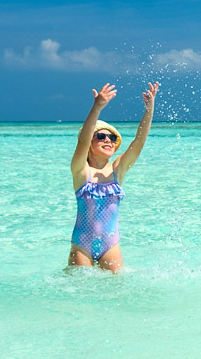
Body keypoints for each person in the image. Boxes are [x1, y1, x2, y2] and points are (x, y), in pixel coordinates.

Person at [68, 81, 159, 273]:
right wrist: (97, 107)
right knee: (77, 296)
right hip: (82, 246)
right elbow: (83, 140)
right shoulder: (81, 171)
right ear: (90, 144)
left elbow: (139, 140)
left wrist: (149, 109)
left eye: (112, 138)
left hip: (110, 245)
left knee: (116, 294)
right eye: (101, 136)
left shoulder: (118, 170)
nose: (108, 140)